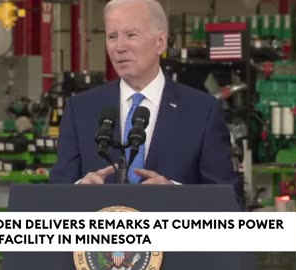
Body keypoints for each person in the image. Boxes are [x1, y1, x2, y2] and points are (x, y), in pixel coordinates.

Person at [49, 0, 239, 193]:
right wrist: (77, 190)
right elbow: (55, 194)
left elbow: (230, 202)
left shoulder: (202, 111)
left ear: (160, 42)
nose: (119, 47)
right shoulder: (80, 108)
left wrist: (177, 195)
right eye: (112, 36)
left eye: (131, 35)